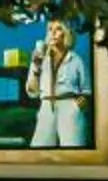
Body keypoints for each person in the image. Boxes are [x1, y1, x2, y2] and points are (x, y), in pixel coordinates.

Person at [25, 18, 92, 149]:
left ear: (66, 33)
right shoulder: (40, 58)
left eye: (58, 29)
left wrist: (76, 108)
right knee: (39, 150)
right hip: (46, 107)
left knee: (73, 149)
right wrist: (36, 67)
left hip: (69, 107)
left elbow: (86, 89)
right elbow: (32, 92)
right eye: (50, 30)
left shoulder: (76, 60)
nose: (53, 33)